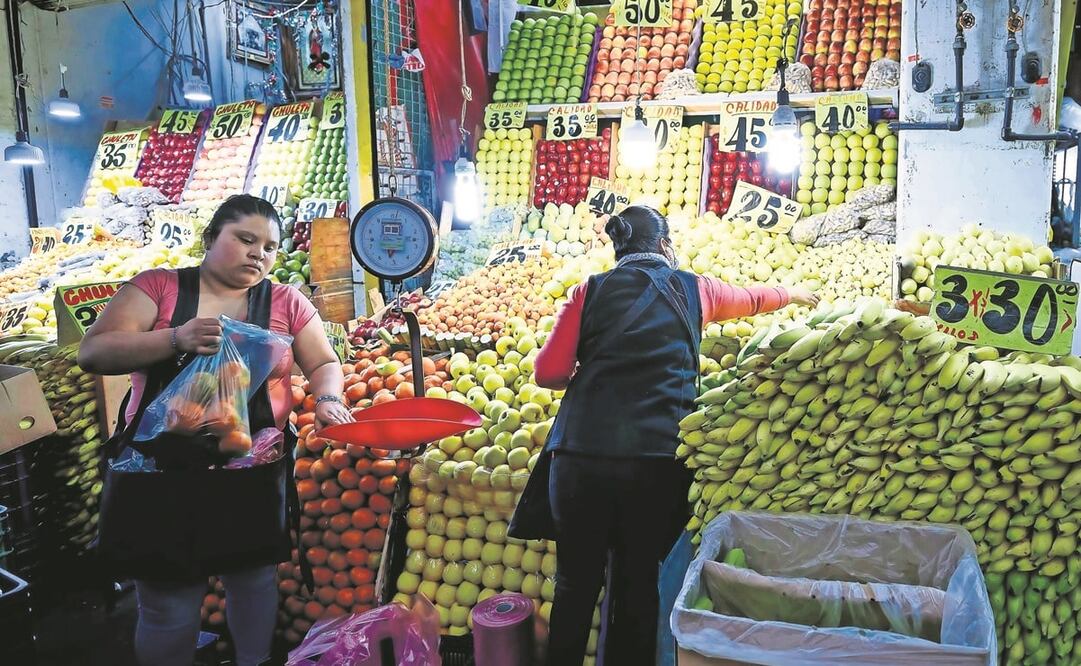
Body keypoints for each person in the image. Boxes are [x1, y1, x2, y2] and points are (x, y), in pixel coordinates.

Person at [522, 206, 818, 666]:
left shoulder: (589, 291)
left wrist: (589, 372)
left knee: (575, 587)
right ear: (664, 246)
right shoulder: (694, 288)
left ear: (618, 250)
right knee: (640, 583)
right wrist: (793, 293)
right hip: (655, 463)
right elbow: (751, 298)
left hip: (580, 462)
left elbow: (548, 373)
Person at [79, 195, 353, 666]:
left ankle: (254, 660)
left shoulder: (286, 300)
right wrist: (173, 338)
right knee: (170, 599)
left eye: (269, 247)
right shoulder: (159, 288)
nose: (258, 254)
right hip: (160, 473)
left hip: (251, 472)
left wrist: (329, 398)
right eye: (245, 239)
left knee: (253, 580)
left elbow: (324, 362)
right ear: (210, 238)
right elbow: (95, 352)